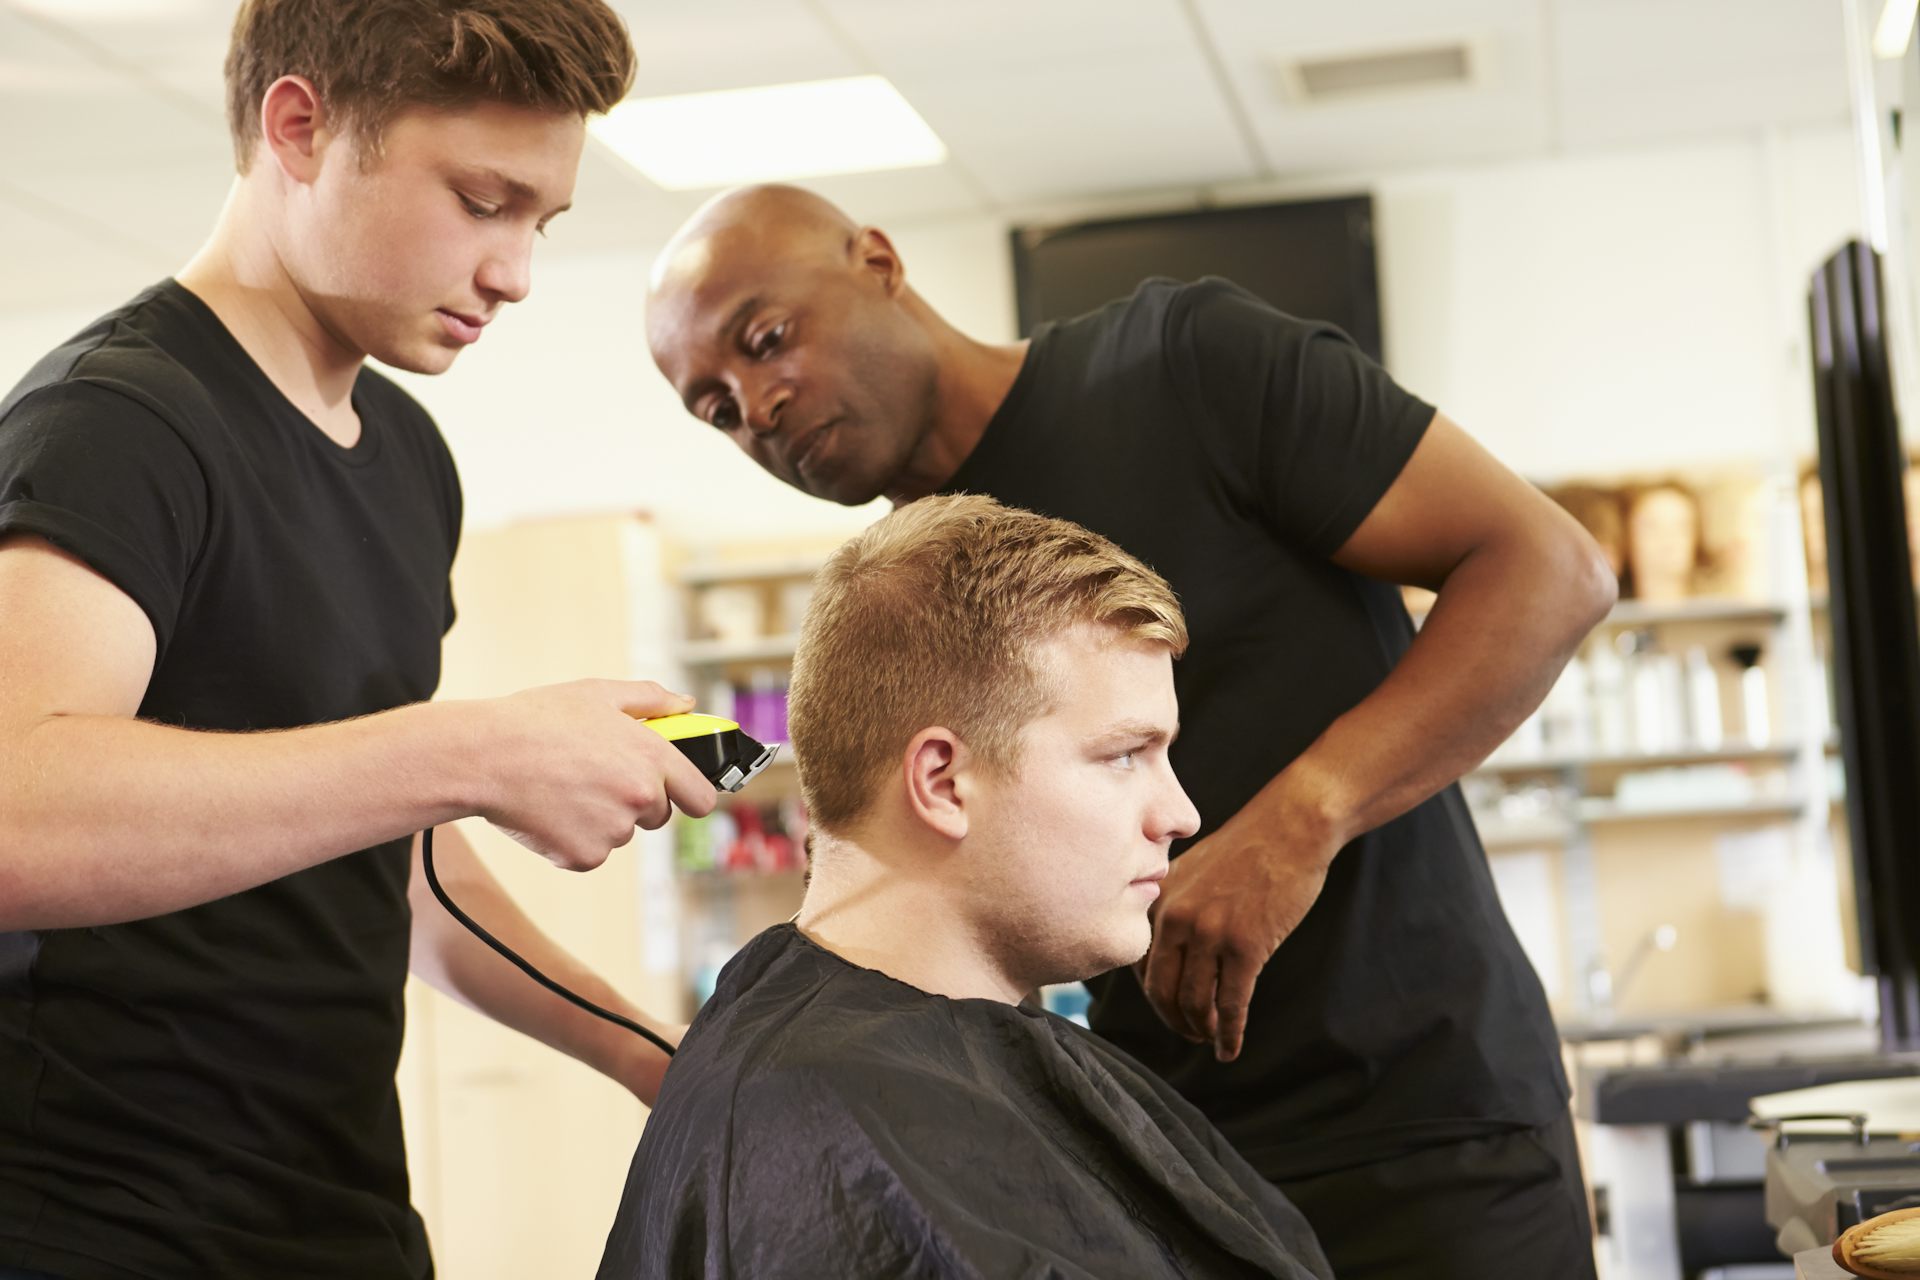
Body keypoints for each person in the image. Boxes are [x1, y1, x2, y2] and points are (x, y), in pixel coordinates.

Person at [642, 184, 1618, 1278]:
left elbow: (1553, 570)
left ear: (877, 260)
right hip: (1171, 1149)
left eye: (767, 340)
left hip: (1427, 1120)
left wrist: (1300, 820)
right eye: (716, 409)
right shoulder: (918, 584)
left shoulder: (1186, 364)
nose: (760, 407)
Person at [0, 4, 719, 1278]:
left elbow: (391, 855)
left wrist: (652, 1053)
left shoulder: (409, 459)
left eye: (541, 223)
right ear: (299, 128)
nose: (515, 273)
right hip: (97, 1226)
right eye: (482, 203)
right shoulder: (113, 425)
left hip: (339, 1214)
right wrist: (474, 750)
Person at [598, 494, 1334, 1280]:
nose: (1181, 815)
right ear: (944, 783)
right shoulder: (819, 1135)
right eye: (1124, 755)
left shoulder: (869, 1070)